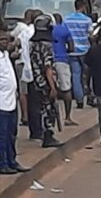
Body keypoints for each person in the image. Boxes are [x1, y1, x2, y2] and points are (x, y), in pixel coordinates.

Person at [28, 15, 63, 148]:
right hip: (46, 83)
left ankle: (43, 134)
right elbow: (48, 67)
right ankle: (48, 136)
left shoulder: (32, 44)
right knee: (49, 110)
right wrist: (53, 86)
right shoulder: (47, 46)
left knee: (41, 109)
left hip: (36, 81)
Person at [0, 30, 30, 174]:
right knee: (2, 135)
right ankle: (3, 163)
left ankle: (12, 161)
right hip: (1, 103)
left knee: (12, 133)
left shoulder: (6, 55)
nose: (5, 42)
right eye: (1, 40)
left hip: (11, 100)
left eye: (6, 40)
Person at [65, 0, 93, 109]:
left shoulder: (67, 19)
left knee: (76, 75)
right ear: (83, 6)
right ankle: (90, 95)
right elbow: (91, 34)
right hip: (85, 50)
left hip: (72, 51)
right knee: (88, 75)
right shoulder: (87, 20)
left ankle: (79, 100)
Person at [51, 13, 76, 126]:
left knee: (50, 89)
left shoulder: (48, 29)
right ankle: (67, 117)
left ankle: (51, 118)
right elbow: (71, 47)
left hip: (48, 61)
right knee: (66, 89)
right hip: (62, 60)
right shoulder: (65, 30)